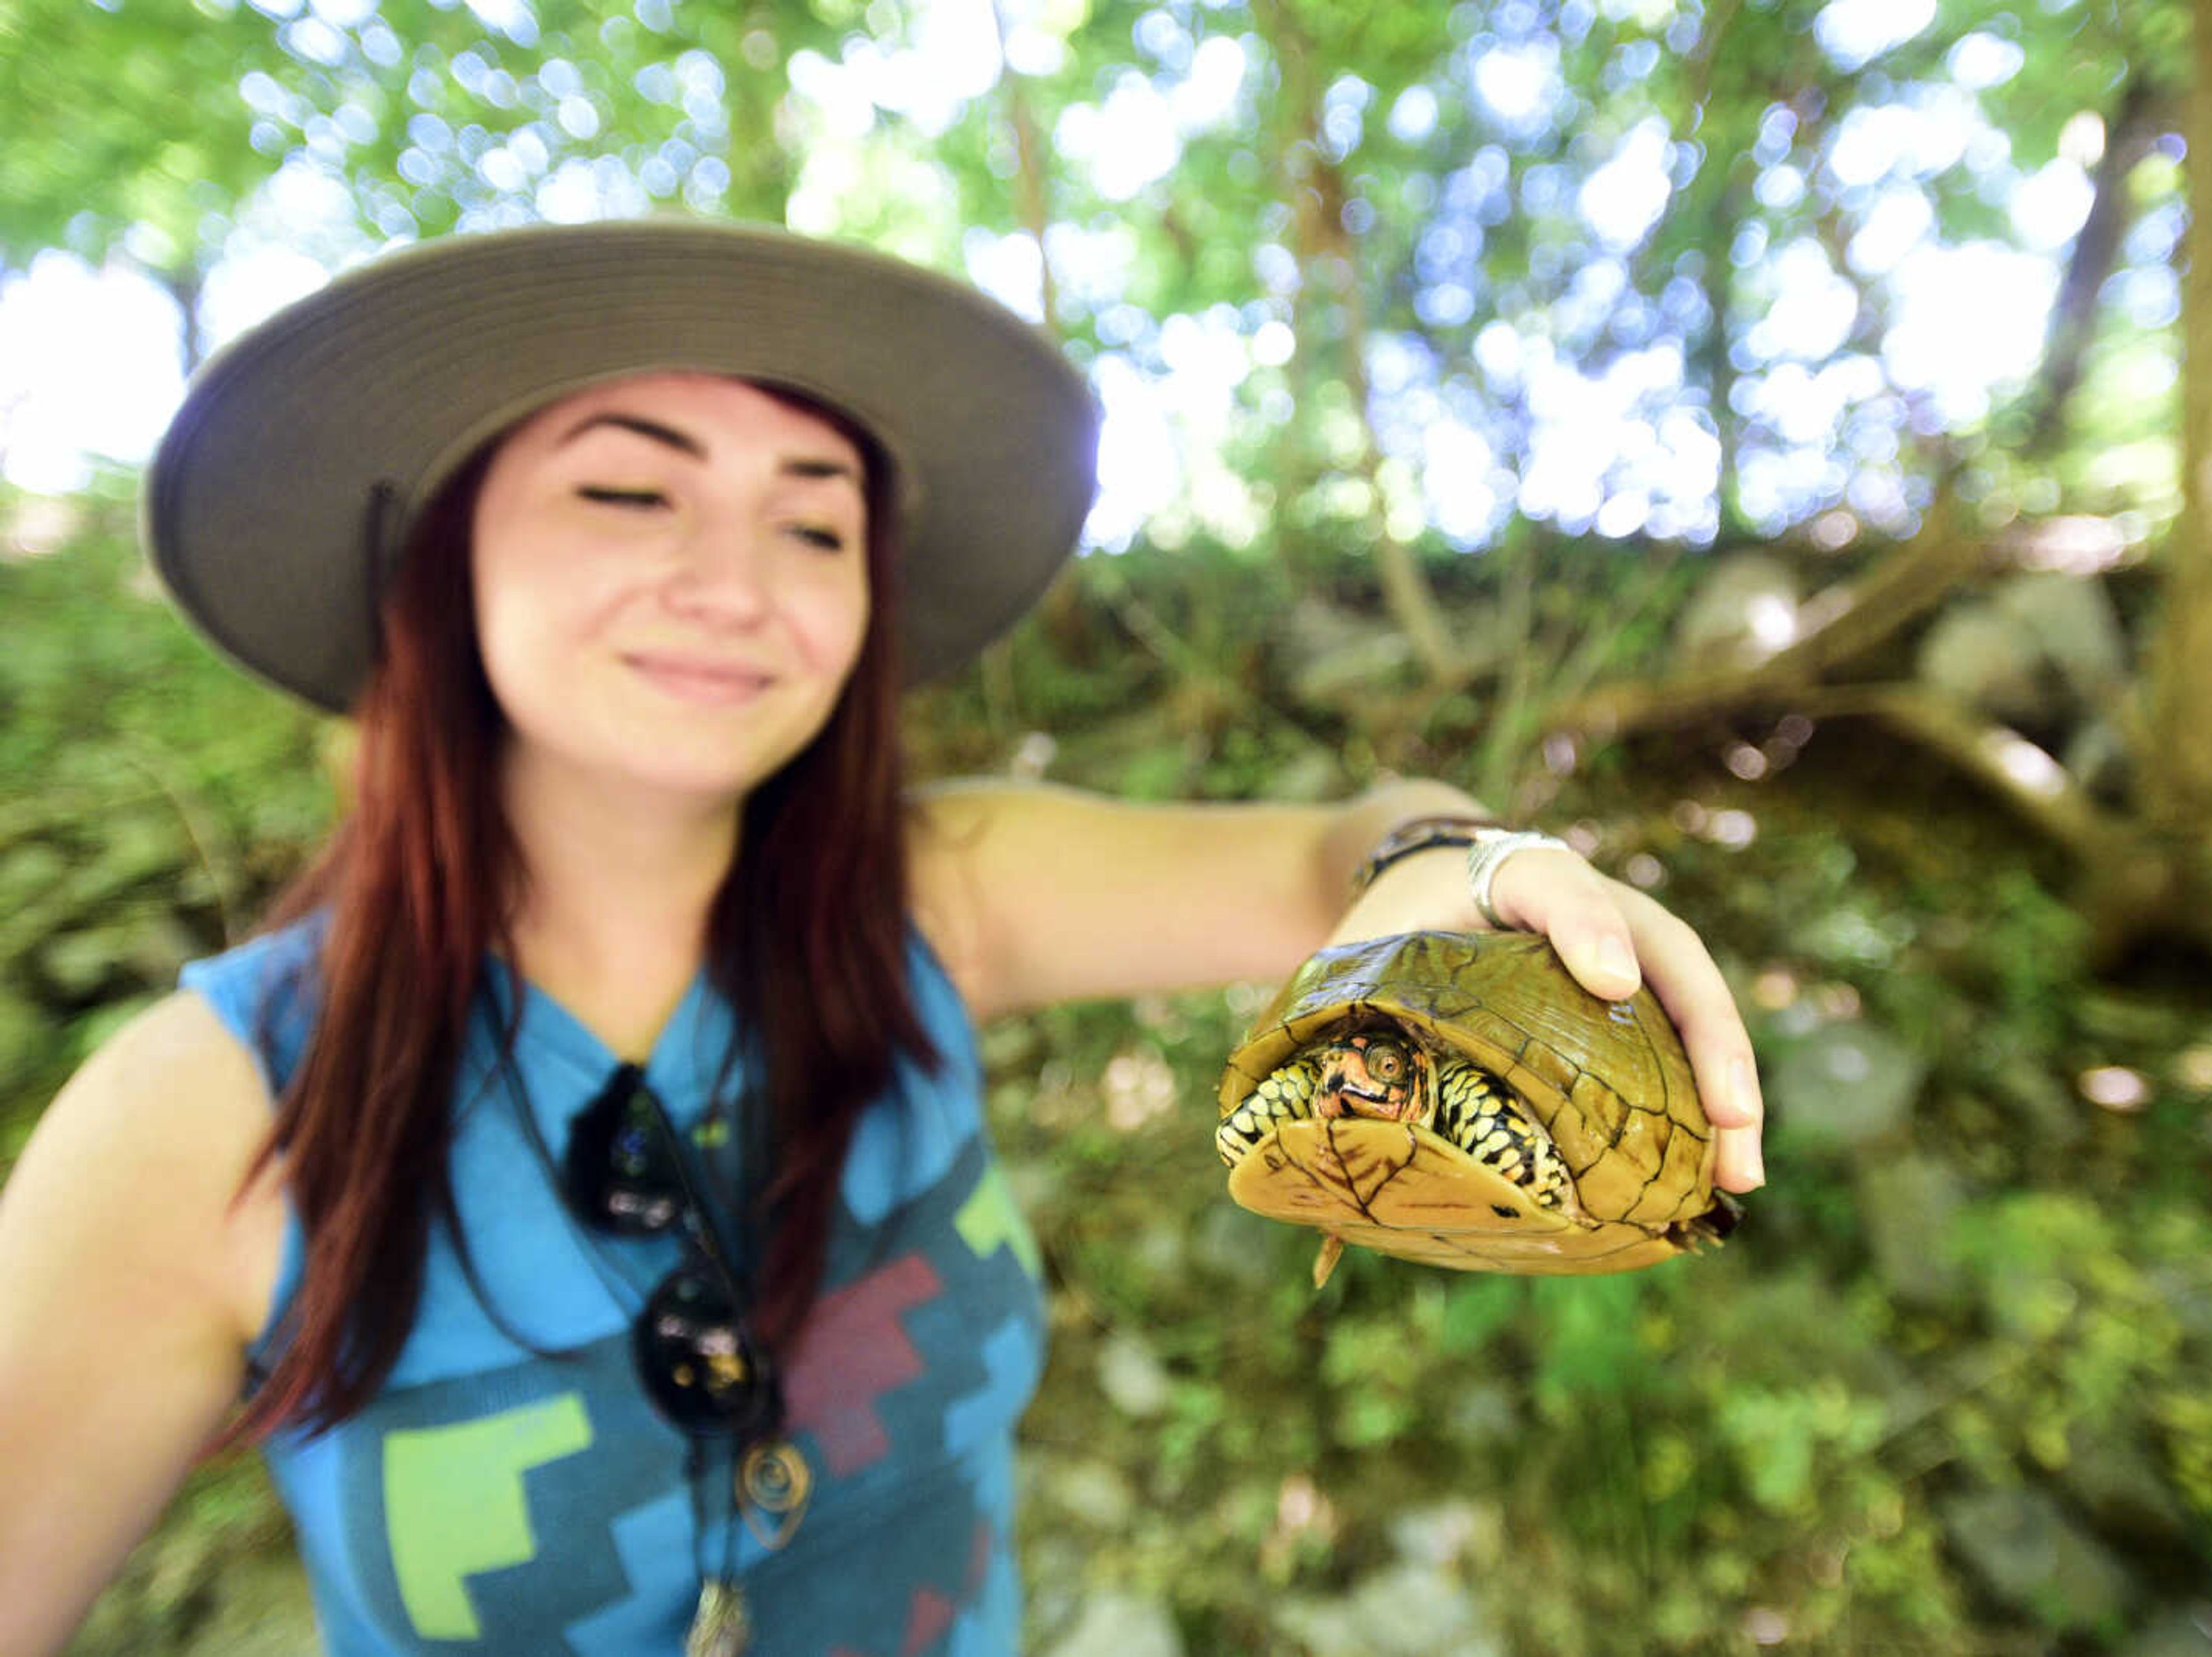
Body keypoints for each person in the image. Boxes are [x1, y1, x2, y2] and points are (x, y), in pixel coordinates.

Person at [0, 220, 1763, 1657]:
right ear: (441, 560)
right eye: (631, 490)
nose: (738, 580)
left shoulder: (933, 894)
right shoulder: (208, 1113)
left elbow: (1337, 853)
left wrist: (1443, 859)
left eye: (817, 518)